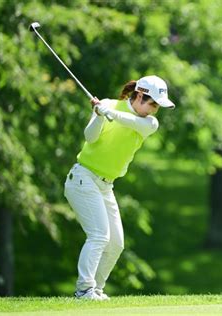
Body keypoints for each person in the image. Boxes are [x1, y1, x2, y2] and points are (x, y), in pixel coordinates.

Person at [64, 75, 175, 300]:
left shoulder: (149, 123)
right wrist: (98, 115)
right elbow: (90, 137)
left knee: (116, 244)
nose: (154, 110)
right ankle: (84, 289)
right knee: (99, 236)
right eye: (153, 104)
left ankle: (96, 289)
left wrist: (109, 113)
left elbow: (132, 121)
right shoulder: (107, 105)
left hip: (106, 185)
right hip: (83, 178)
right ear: (141, 95)